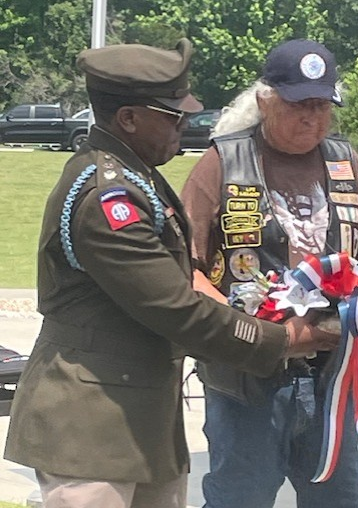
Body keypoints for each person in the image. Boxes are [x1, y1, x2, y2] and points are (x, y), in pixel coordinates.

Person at [4, 39, 332, 508]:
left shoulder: (137, 178)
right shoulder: (107, 198)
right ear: (129, 119)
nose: (185, 123)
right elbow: (173, 308)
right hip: (89, 431)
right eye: (172, 115)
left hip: (137, 420)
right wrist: (281, 340)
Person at [181, 38, 358, 508]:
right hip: (246, 382)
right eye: (299, 105)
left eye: (322, 105)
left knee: (340, 500)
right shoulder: (222, 162)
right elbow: (184, 270)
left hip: (332, 381)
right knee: (241, 498)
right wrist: (248, 332)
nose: (312, 117)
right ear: (264, 101)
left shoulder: (346, 163)